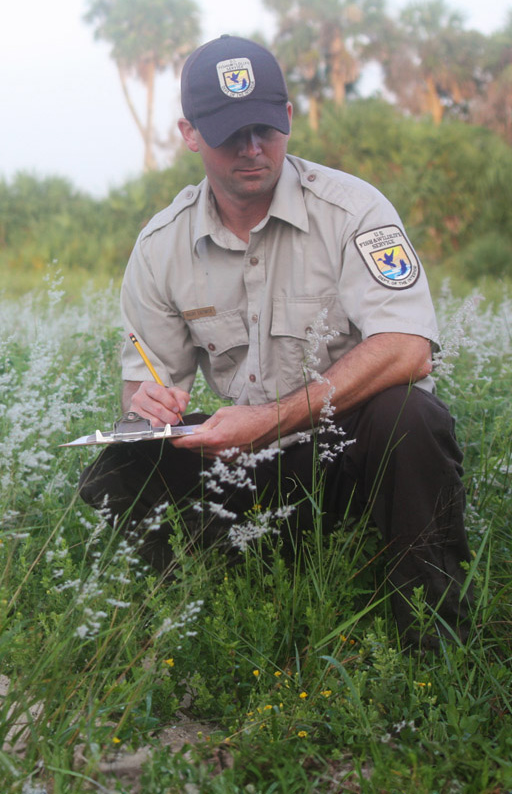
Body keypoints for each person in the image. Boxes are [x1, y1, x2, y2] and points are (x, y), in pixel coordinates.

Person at [79, 35, 472, 647]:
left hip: (346, 451)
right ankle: (190, 621)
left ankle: (432, 637)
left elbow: (407, 347)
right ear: (189, 133)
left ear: (288, 117)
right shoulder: (161, 246)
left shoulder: (353, 212)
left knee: (411, 415)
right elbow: (148, 381)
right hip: (241, 459)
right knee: (121, 465)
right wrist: (150, 408)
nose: (253, 148)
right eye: (230, 133)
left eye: (264, 126)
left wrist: (268, 420)